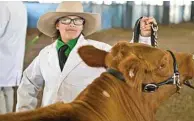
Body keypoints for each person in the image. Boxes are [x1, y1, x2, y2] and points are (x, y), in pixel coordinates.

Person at [16, 1, 157, 112]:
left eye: (77, 20)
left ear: (82, 25)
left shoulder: (99, 49)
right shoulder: (45, 54)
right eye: (65, 20)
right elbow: (29, 83)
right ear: (57, 24)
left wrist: (144, 36)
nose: (71, 24)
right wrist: (24, 112)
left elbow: (129, 60)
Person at [0, 1, 27, 114]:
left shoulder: (3, 4)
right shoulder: (20, 4)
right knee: (8, 89)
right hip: (13, 55)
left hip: (3, 55)